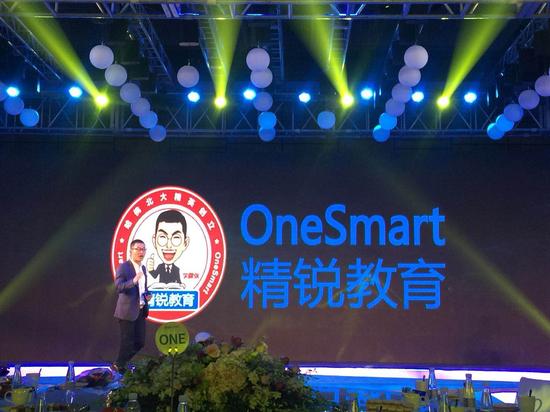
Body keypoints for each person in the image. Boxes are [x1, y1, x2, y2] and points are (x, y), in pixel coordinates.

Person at [112, 239, 151, 373]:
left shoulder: (143, 268)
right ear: (131, 251)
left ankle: (119, 364)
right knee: (127, 342)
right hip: (127, 311)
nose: (141, 252)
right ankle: (119, 367)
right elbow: (119, 287)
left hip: (140, 310)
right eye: (138, 249)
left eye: (143, 249)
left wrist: (148, 295)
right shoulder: (124, 267)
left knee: (140, 342)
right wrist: (133, 281)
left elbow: (143, 287)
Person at [147, 210, 190, 284]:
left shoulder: (176, 269)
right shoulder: (160, 267)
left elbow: (178, 281)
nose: (169, 245)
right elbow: (154, 275)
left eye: (176, 237)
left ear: (185, 243)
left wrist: (181, 285)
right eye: (162, 237)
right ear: (154, 241)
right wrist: (150, 269)